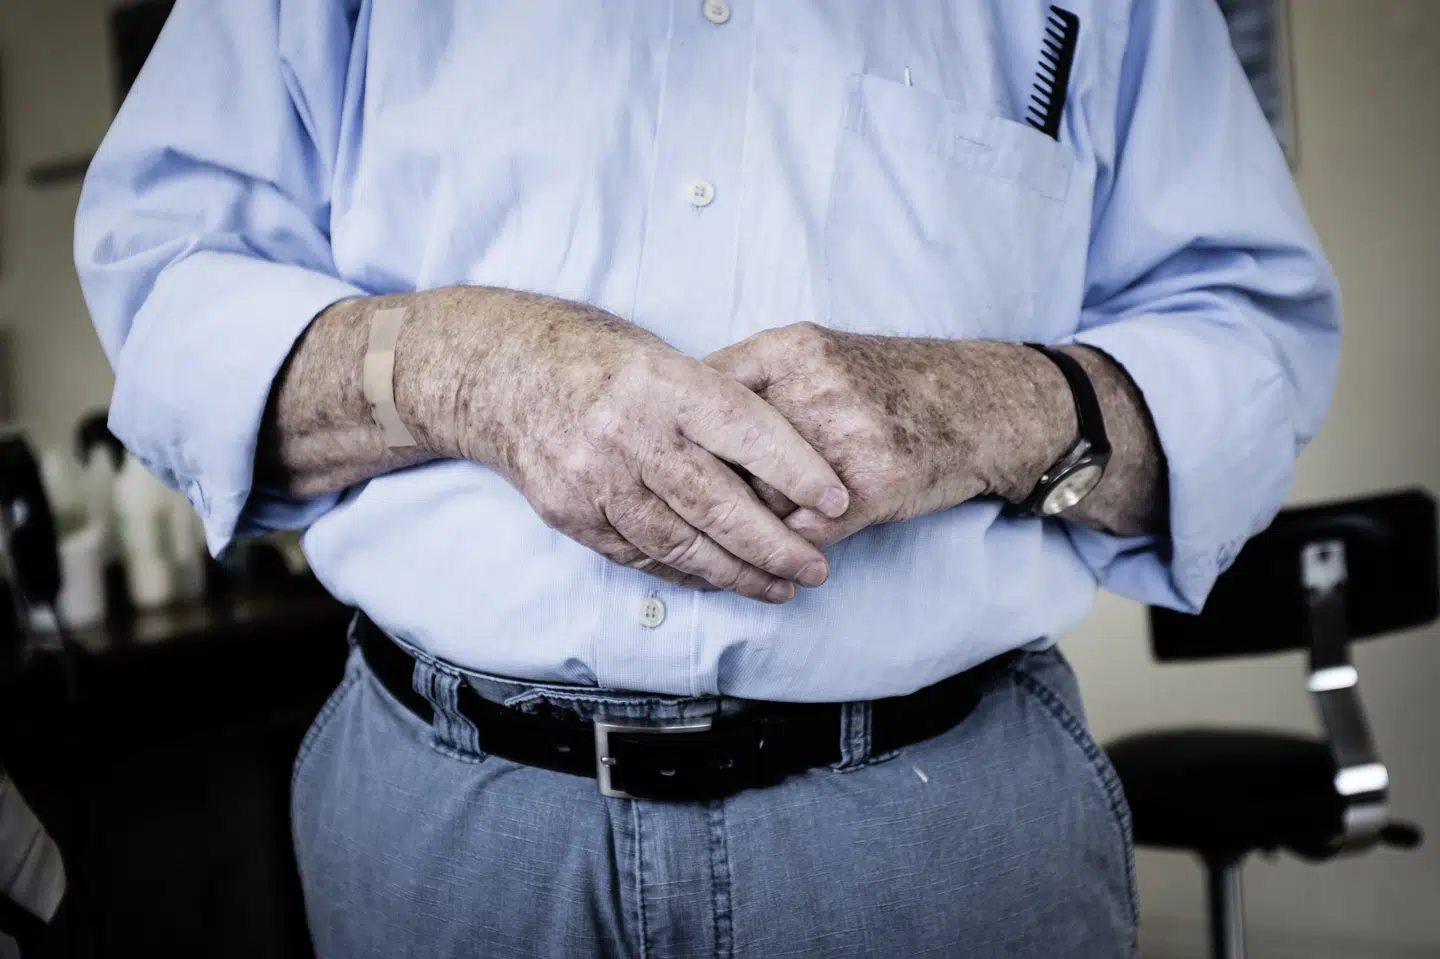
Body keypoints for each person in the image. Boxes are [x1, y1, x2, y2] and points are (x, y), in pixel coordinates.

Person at [75, 1, 1340, 955]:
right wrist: (470, 369)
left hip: (937, 835)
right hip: (444, 836)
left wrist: (994, 407)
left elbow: (1252, 335)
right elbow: (168, 289)